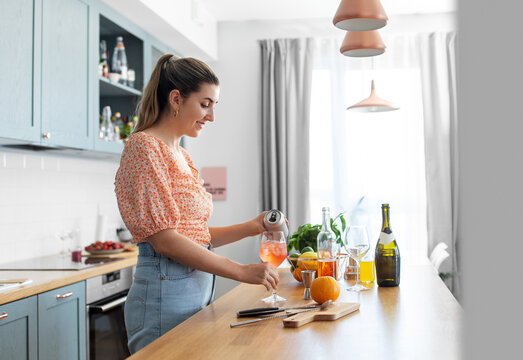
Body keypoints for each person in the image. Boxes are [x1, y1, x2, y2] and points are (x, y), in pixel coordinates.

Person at [114, 55, 280, 353]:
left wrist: (252, 226)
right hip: (163, 296)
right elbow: (166, 241)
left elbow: (194, 235)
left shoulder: (181, 155)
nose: (211, 116)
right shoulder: (144, 147)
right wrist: (241, 271)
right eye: (205, 105)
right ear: (176, 99)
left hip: (193, 292)